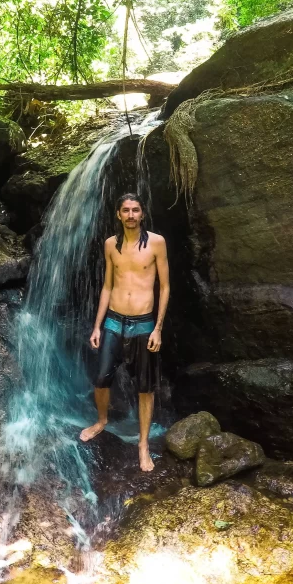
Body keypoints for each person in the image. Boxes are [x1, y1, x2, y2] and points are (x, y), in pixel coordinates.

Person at [79, 192, 169, 472]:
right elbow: (107, 286)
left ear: (142, 213)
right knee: (101, 377)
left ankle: (142, 445)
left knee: (145, 387)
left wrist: (158, 328)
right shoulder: (110, 245)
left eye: (136, 210)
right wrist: (97, 325)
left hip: (144, 323)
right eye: (126, 210)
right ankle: (102, 420)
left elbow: (164, 287)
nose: (131, 215)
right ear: (118, 214)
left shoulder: (156, 243)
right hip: (113, 321)